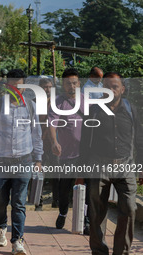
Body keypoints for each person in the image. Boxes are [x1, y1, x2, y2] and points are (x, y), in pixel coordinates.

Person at [0, 69, 43, 255]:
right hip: (1, 162)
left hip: (24, 161)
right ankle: (1, 228)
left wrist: (38, 158)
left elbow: (36, 134)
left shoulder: (31, 106)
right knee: (1, 201)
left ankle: (17, 240)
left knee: (19, 203)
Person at [79, 72, 143, 255]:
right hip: (98, 165)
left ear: (122, 89)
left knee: (130, 209)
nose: (111, 90)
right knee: (97, 214)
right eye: (107, 86)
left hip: (126, 166)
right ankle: (99, 251)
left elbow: (139, 139)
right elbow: (84, 142)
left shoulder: (131, 110)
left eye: (114, 86)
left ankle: (121, 252)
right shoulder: (94, 110)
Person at [48, 68, 87, 232]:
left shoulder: (87, 101)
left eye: (74, 82)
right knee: (64, 188)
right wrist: (54, 142)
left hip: (86, 153)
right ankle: (63, 212)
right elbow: (52, 124)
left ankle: (85, 220)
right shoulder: (58, 103)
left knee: (87, 188)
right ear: (63, 85)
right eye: (68, 83)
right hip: (66, 154)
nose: (72, 86)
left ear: (79, 84)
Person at [37, 78, 59, 209]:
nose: (47, 89)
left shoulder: (57, 103)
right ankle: (37, 199)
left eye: (50, 87)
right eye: (45, 87)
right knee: (40, 173)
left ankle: (56, 199)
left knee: (56, 173)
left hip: (54, 143)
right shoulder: (34, 104)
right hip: (39, 144)